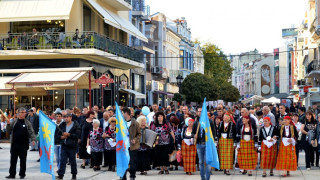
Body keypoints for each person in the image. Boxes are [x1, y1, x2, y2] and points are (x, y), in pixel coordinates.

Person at [5, 107, 36, 179]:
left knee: (23, 161)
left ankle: (22, 174)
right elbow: (8, 130)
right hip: (14, 145)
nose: (24, 114)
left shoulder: (27, 122)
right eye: (22, 112)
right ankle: (12, 174)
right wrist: (8, 124)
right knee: (13, 160)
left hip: (23, 145)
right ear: (18, 113)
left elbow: (31, 132)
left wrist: (33, 139)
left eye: (25, 112)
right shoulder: (14, 121)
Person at [56, 113, 80, 180]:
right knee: (62, 161)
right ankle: (60, 175)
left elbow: (77, 135)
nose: (66, 118)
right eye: (65, 117)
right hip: (64, 145)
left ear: (71, 118)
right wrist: (61, 137)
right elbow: (57, 135)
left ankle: (74, 175)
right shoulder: (62, 125)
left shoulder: (75, 125)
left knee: (72, 161)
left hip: (72, 146)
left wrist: (69, 134)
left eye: (67, 117)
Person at [192, 111, 215, 180]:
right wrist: (194, 135)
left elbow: (213, 133)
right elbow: (193, 132)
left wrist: (212, 142)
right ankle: (202, 177)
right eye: (198, 111)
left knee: (207, 161)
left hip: (207, 144)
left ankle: (207, 177)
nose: (199, 113)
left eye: (201, 111)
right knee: (201, 162)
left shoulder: (210, 122)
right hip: (199, 144)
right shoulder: (196, 122)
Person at [121, 107, 141, 180]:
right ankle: (123, 177)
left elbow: (139, 134)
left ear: (126, 113)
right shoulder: (121, 123)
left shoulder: (135, 123)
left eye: (122, 113)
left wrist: (135, 140)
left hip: (132, 147)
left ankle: (132, 176)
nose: (122, 114)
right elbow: (117, 133)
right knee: (123, 163)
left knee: (132, 163)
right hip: (123, 147)